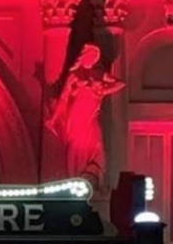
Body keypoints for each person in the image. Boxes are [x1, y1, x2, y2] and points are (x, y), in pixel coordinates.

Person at [45, 43, 124, 186]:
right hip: (76, 117)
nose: (94, 59)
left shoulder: (98, 75)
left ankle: (95, 175)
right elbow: (63, 97)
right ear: (85, 57)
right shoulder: (75, 75)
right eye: (92, 56)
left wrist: (102, 92)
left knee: (97, 143)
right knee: (76, 146)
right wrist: (54, 117)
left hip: (91, 115)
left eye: (96, 57)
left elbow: (120, 84)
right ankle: (76, 175)